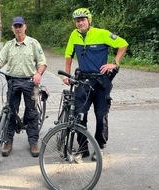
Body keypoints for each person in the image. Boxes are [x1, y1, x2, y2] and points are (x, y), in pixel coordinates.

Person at [63, 8, 128, 161]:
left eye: (83, 20)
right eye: (77, 21)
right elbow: (68, 54)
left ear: (89, 20)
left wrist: (114, 63)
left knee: (101, 116)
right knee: (79, 116)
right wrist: (67, 74)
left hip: (101, 81)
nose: (80, 23)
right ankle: (83, 148)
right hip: (83, 81)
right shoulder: (74, 35)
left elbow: (123, 44)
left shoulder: (102, 33)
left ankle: (99, 146)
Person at [0, 16, 47, 157]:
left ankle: (33, 142)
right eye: (16, 26)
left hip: (31, 82)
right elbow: (0, 60)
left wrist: (39, 73)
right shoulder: (9, 45)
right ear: (12, 29)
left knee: (32, 112)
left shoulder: (33, 43)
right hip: (12, 81)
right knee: (10, 112)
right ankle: (8, 141)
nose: (18, 28)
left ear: (25, 27)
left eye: (20, 26)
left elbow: (42, 62)